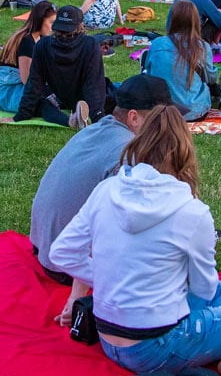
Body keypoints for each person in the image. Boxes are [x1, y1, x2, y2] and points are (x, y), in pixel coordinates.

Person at [48, 106, 221, 376]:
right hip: (155, 348)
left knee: (220, 293)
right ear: (185, 154)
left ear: (138, 143)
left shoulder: (107, 190)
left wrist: (108, 276)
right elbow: (203, 289)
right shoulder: (192, 212)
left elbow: (61, 253)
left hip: (107, 336)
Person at [27, 74, 176, 278]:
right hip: (70, 266)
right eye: (161, 119)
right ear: (134, 117)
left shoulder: (95, 130)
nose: (167, 126)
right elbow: (122, 222)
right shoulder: (127, 153)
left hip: (43, 243)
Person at [15, 5, 111, 128]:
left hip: (62, 97)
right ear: (80, 25)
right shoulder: (90, 45)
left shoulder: (43, 45)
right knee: (117, 92)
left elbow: (34, 84)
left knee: (41, 105)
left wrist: (20, 116)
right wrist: (98, 116)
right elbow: (94, 84)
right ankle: (75, 119)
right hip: (82, 96)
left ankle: (69, 121)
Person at [142, 0, 221, 120]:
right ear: (196, 21)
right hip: (194, 111)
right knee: (203, 83)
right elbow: (211, 78)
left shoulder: (157, 44)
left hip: (161, 112)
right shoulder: (202, 47)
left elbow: (150, 74)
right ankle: (220, 93)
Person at [0, 1, 55, 112]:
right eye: (51, 23)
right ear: (40, 21)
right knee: (45, 103)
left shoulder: (38, 38)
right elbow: (27, 80)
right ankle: (70, 121)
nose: (52, 28)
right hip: (12, 93)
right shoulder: (27, 41)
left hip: (18, 89)